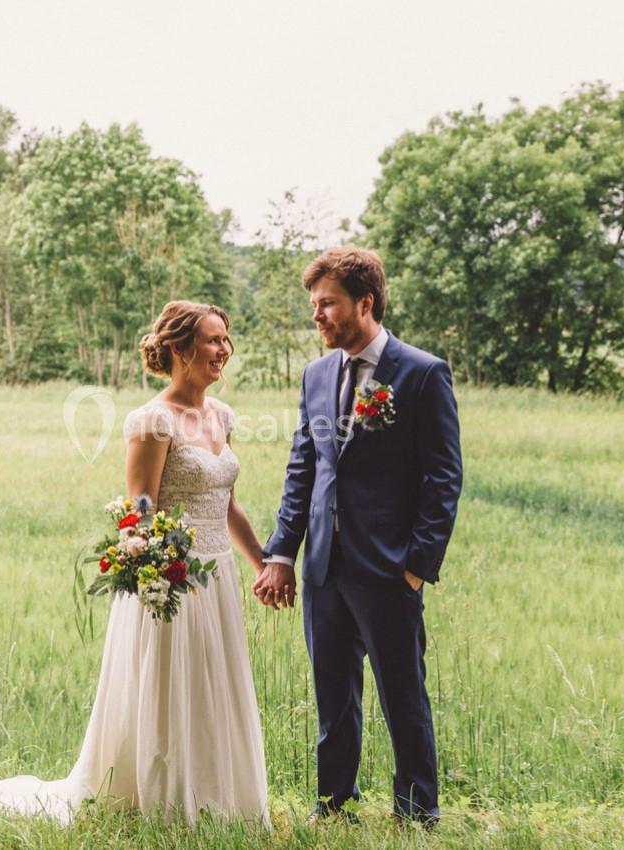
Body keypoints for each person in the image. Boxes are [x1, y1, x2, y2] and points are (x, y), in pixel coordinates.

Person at [0, 301, 270, 825]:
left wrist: (265, 565)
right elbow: (141, 506)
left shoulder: (223, 416)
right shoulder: (153, 421)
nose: (224, 350)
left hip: (218, 577)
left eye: (226, 339)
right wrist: (155, 567)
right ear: (180, 348)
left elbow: (229, 507)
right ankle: (165, 799)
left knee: (212, 688)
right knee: (170, 688)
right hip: (171, 580)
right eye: (213, 340)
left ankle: (218, 798)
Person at [253, 247, 462, 827]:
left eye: (327, 304)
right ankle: (333, 805)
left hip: (390, 569)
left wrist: (417, 565)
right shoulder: (316, 375)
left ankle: (417, 812)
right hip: (324, 566)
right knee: (333, 698)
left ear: (364, 302)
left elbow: (444, 478)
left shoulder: (422, 373)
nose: (317, 315)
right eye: (314, 304)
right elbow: (304, 468)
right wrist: (282, 552)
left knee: (403, 697)